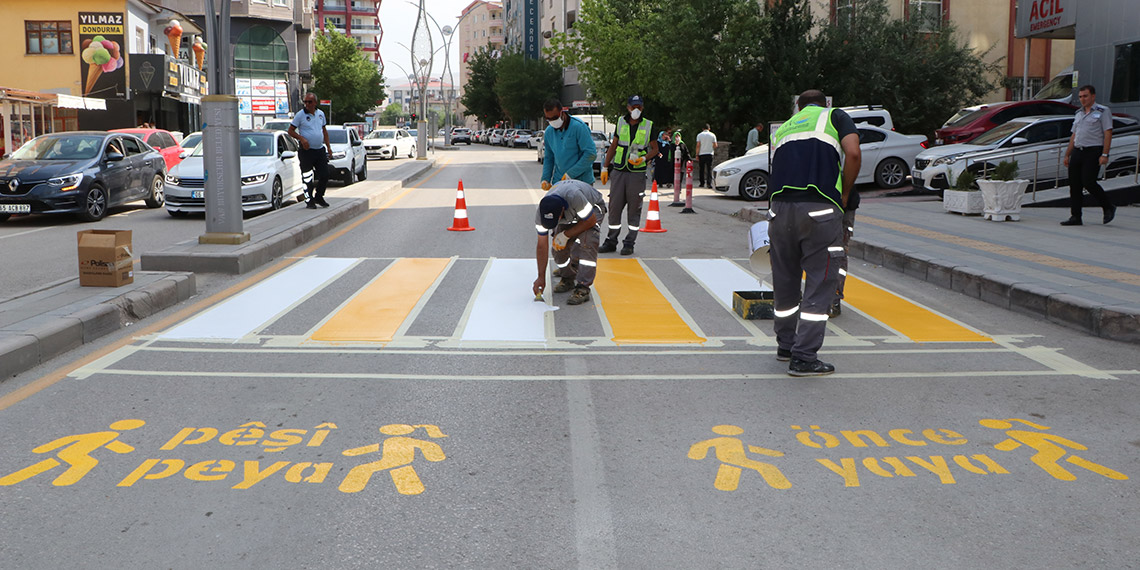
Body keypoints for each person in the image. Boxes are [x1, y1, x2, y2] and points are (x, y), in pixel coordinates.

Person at [767, 89, 861, 377]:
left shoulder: (784, 127)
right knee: (820, 283)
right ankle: (804, 357)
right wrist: (843, 194)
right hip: (819, 209)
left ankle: (786, 346)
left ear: (798, 106)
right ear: (825, 104)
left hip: (780, 210)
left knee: (785, 280)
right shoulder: (835, 117)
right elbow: (854, 153)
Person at [600, 95, 659, 256]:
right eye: (633, 107)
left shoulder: (648, 125)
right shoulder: (621, 122)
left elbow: (655, 149)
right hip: (619, 171)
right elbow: (614, 145)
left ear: (643, 108)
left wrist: (644, 158)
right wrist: (605, 167)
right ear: (628, 107)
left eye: (639, 107)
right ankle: (611, 241)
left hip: (637, 173)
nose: (636, 110)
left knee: (634, 210)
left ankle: (629, 243)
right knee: (614, 208)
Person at [533, 179, 607, 306]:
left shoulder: (574, 196)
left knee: (587, 242)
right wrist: (541, 277)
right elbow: (541, 246)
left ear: (562, 210)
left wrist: (566, 235)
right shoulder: (541, 212)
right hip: (571, 213)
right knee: (557, 248)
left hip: (592, 209)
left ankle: (583, 287)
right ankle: (568, 278)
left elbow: (590, 221)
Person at [1061, 85, 1116, 226]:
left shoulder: (1103, 111)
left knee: (1089, 182)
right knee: (1075, 185)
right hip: (1078, 151)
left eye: (1085, 96)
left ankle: (1108, 206)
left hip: (1093, 151)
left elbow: (1108, 133)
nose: (1082, 99)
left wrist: (1105, 153)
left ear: (1093, 96)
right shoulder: (1078, 113)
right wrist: (1067, 154)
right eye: (1080, 97)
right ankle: (1076, 216)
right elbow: (1074, 135)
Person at [288, 92, 331, 208]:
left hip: (319, 150)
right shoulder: (300, 115)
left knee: (325, 174)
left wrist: (329, 147)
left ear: (315, 103)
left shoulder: (320, 114)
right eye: (305, 102)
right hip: (306, 151)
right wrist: (302, 139)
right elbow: (290, 131)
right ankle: (309, 200)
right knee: (307, 176)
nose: (307, 104)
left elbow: (324, 131)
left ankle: (319, 197)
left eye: (310, 102)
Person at [541, 98, 596, 188]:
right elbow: (549, 157)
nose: (552, 121)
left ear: (561, 112)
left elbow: (591, 154)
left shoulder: (578, 127)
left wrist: (571, 174)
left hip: (581, 182)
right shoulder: (549, 132)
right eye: (548, 119)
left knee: (581, 202)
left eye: (554, 118)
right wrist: (545, 179)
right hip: (559, 182)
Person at [829, 186, 860, 317]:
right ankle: (831, 300)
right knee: (836, 255)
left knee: (837, 256)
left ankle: (833, 300)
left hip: (840, 204)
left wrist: (846, 195)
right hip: (828, 203)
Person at [695, 124, 718, 188]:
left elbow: (698, 145)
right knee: (709, 169)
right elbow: (715, 145)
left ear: (703, 129)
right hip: (710, 153)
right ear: (709, 128)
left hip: (702, 154)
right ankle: (709, 183)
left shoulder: (699, 135)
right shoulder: (712, 135)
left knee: (701, 169)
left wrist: (697, 154)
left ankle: (702, 183)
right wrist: (711, 148)